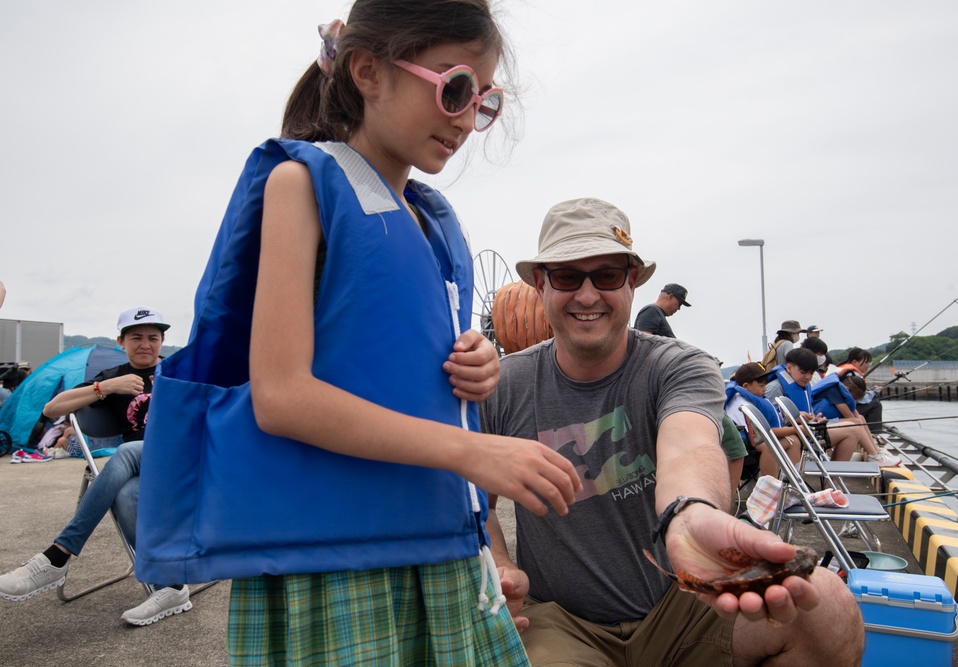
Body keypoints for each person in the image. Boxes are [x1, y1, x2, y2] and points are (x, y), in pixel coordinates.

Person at [169, 3, 581, 664]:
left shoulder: (432, 222)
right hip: (333, 561)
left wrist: (474, 365)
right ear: (368, 71)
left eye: (484, 100)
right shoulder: (300, 185)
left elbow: (395, 352)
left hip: (440, 550)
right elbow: (280, 394)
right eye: (454, 88)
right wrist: (475, 451)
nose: (466, 118)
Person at [482, 198, 863, 666]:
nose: (586, 295)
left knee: (824, 602)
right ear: (541, 283)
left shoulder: (677, 365)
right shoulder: (503, 387)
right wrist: (499, 566)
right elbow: (473, 501)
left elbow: (690, 445)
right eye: (566, 276)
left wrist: (691, 513)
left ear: (632, 281)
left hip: (682, 600)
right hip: (562, 620)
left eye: (606, 275)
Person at [0, 307, 192, 626]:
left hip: (185, 460)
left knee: (127, 451)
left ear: (162, 342)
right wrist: (107, 388)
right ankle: (169, 585)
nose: (145, 344)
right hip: (143, 467)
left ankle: (59, 554)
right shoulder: (111, 376)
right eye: (136, 338)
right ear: (121, 341)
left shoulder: (178, 370)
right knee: (124, 492)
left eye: (153, 338)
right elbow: (52, 408)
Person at [766, 348, 900, 466]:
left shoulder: (802, 384)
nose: (807, 377)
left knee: (854, 427)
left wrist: (813, 418)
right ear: (789, 368)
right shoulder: (774, 388)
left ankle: (833, 482)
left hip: (808, 430)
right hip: (796, 435)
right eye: (803, 372)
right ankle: (837, 478)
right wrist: (794, 417)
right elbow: (769, 422)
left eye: (811, 373)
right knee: (852, 428)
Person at [724, 362, 801, 480]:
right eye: (761, 386)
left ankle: (793, 483)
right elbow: (757, 434)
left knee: (794, 441)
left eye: (765, 385)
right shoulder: (740, 403)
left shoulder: (752, 398)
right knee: (771, 447)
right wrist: (796, 429)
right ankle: (770, 487)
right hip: (744, 443)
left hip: (758, 438)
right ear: (746, 386)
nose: (765, 389)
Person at [838, 347, 884, 431]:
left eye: (869, 363)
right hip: (845, 410)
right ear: (855, 362)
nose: (868, 365)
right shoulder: (853, 374)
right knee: (876, 404)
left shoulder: (842, 369)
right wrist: (875, 391)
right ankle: (874, 433)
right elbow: (861, 399)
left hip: (840, 406)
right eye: (866, 362)